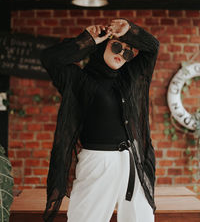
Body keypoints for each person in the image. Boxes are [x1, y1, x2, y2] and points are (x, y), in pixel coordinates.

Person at [40, 18, 160, 222]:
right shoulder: (79, 80)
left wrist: (128, 31)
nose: (121, 54)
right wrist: (88, 39)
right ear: (104, 45)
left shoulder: (129, 78)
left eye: (128, 52)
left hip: (133, 160)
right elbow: (50, 58)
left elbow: (152, 47)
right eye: (116, 46)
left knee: (141, 218)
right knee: (85, 218)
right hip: (98, 161)